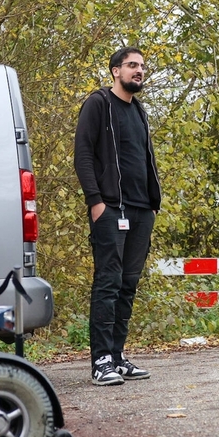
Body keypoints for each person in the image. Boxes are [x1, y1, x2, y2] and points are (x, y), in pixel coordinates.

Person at [74, 47, 162, 386]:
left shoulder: (139, 111)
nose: (138, 71)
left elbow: (145, 160)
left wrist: (154, 202)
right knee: (108, 283)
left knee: (128, 285)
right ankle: (101, 362)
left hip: (142, 211)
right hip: (111, 209)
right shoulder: (98, 104)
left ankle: (118, 355)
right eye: (131, 65)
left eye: (141, 66)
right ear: (115, 71)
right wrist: (96, 202)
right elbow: (83, 155)